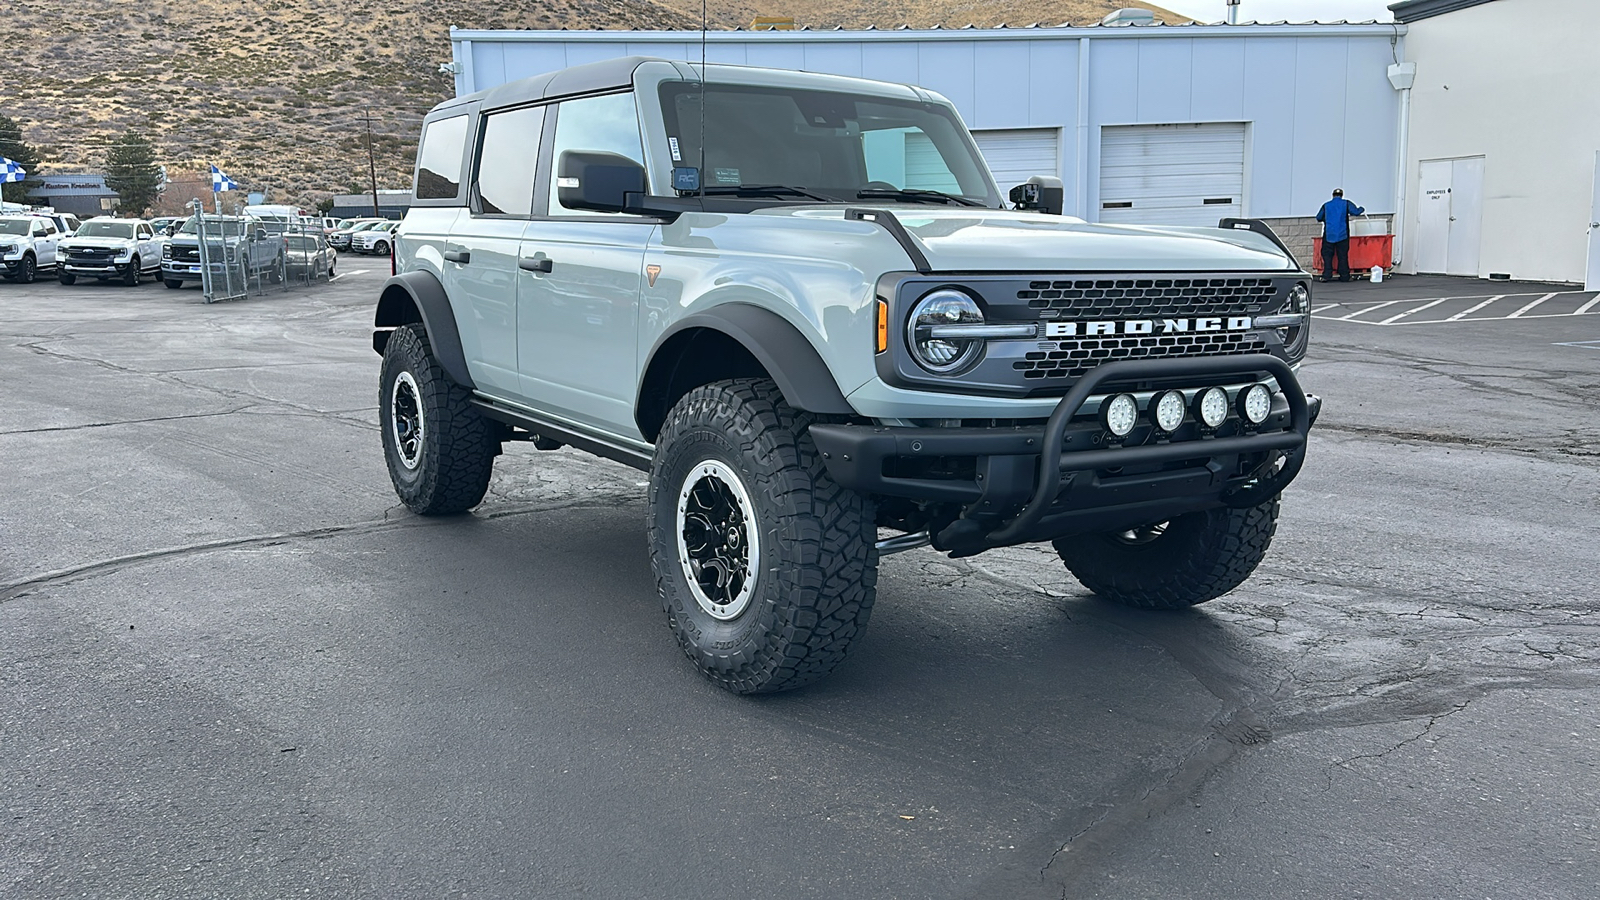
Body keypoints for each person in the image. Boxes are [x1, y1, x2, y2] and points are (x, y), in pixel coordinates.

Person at [1315, 188, 1365, 282]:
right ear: (1342, 195)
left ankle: (1326, 275)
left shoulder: (1326, 205)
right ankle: (1344, 276)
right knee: (1342, 255)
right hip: (1343, 234)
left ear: (1332, 195)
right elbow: (1356, 212)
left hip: (1329, 234)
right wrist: (1362, 208)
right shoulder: (1346, 203)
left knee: (1327, 255)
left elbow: (1318, 217)